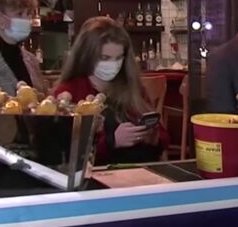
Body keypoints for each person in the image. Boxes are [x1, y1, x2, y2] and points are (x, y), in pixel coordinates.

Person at [53, 16, 168, 165]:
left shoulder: (133, 88)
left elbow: (163, 137)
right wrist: (112, 141)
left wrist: (153, 137)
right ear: (87, 55)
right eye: (105, 58)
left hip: (140, 170)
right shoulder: (68, 93)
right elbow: (65, 152)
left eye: (119, 58)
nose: (113, 64)